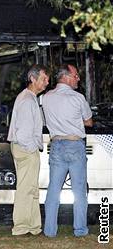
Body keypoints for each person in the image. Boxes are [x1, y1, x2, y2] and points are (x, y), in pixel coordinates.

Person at [43, 64, 93, 237]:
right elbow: (89, 122)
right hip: (75, 144)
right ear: (65, 76)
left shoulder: (46, 97)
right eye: (76, 75)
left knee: (53, 190)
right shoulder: (78, 98)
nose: (78, 78)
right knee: (78, 190)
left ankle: (49, 231)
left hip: (56, 145)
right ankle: (80, 230)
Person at [7, 64, 49, 236]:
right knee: (26, 189)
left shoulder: (29, 98)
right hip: (25, 149)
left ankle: (33, 226)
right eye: (44, 79)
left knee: (31, 188)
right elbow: (23, 133)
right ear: (33, 79)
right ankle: (21, 227)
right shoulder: (26, 100)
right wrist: (32, 148)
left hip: (25, 148)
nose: (47, 82)